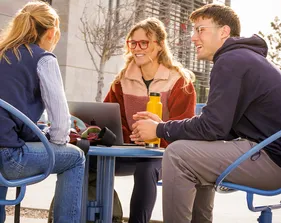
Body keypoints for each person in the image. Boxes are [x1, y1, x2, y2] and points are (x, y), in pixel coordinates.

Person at [131, 4, 281, 223]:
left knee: (178, 154)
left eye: (201, 30)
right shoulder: (244, 59)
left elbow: (213, 127)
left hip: (272, 162)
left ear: (224, 32)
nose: (193, 38)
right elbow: (221, 129)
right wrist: (163, 125)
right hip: (269, 156)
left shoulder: (231, 61)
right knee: (194, 153)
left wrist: (159, 129)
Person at [90, 17, 196, 223]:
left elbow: (185, 128)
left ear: (159, 46)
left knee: (146, 169)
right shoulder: (122, 81)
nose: (137, 48)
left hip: (166, 155)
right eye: (133, 43)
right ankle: (106, 217)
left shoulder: (179, 82)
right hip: (128, 151)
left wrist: (156, 135)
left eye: (144, 43)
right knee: (88, 161)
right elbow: (109, 118)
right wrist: (126, 136)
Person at [0, 2, 85, 223]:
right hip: (9, 158)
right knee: (76, 158)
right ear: (50, 32)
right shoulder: (43, 58)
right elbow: (60, 128)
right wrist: (52, 136)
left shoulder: (2, 53)